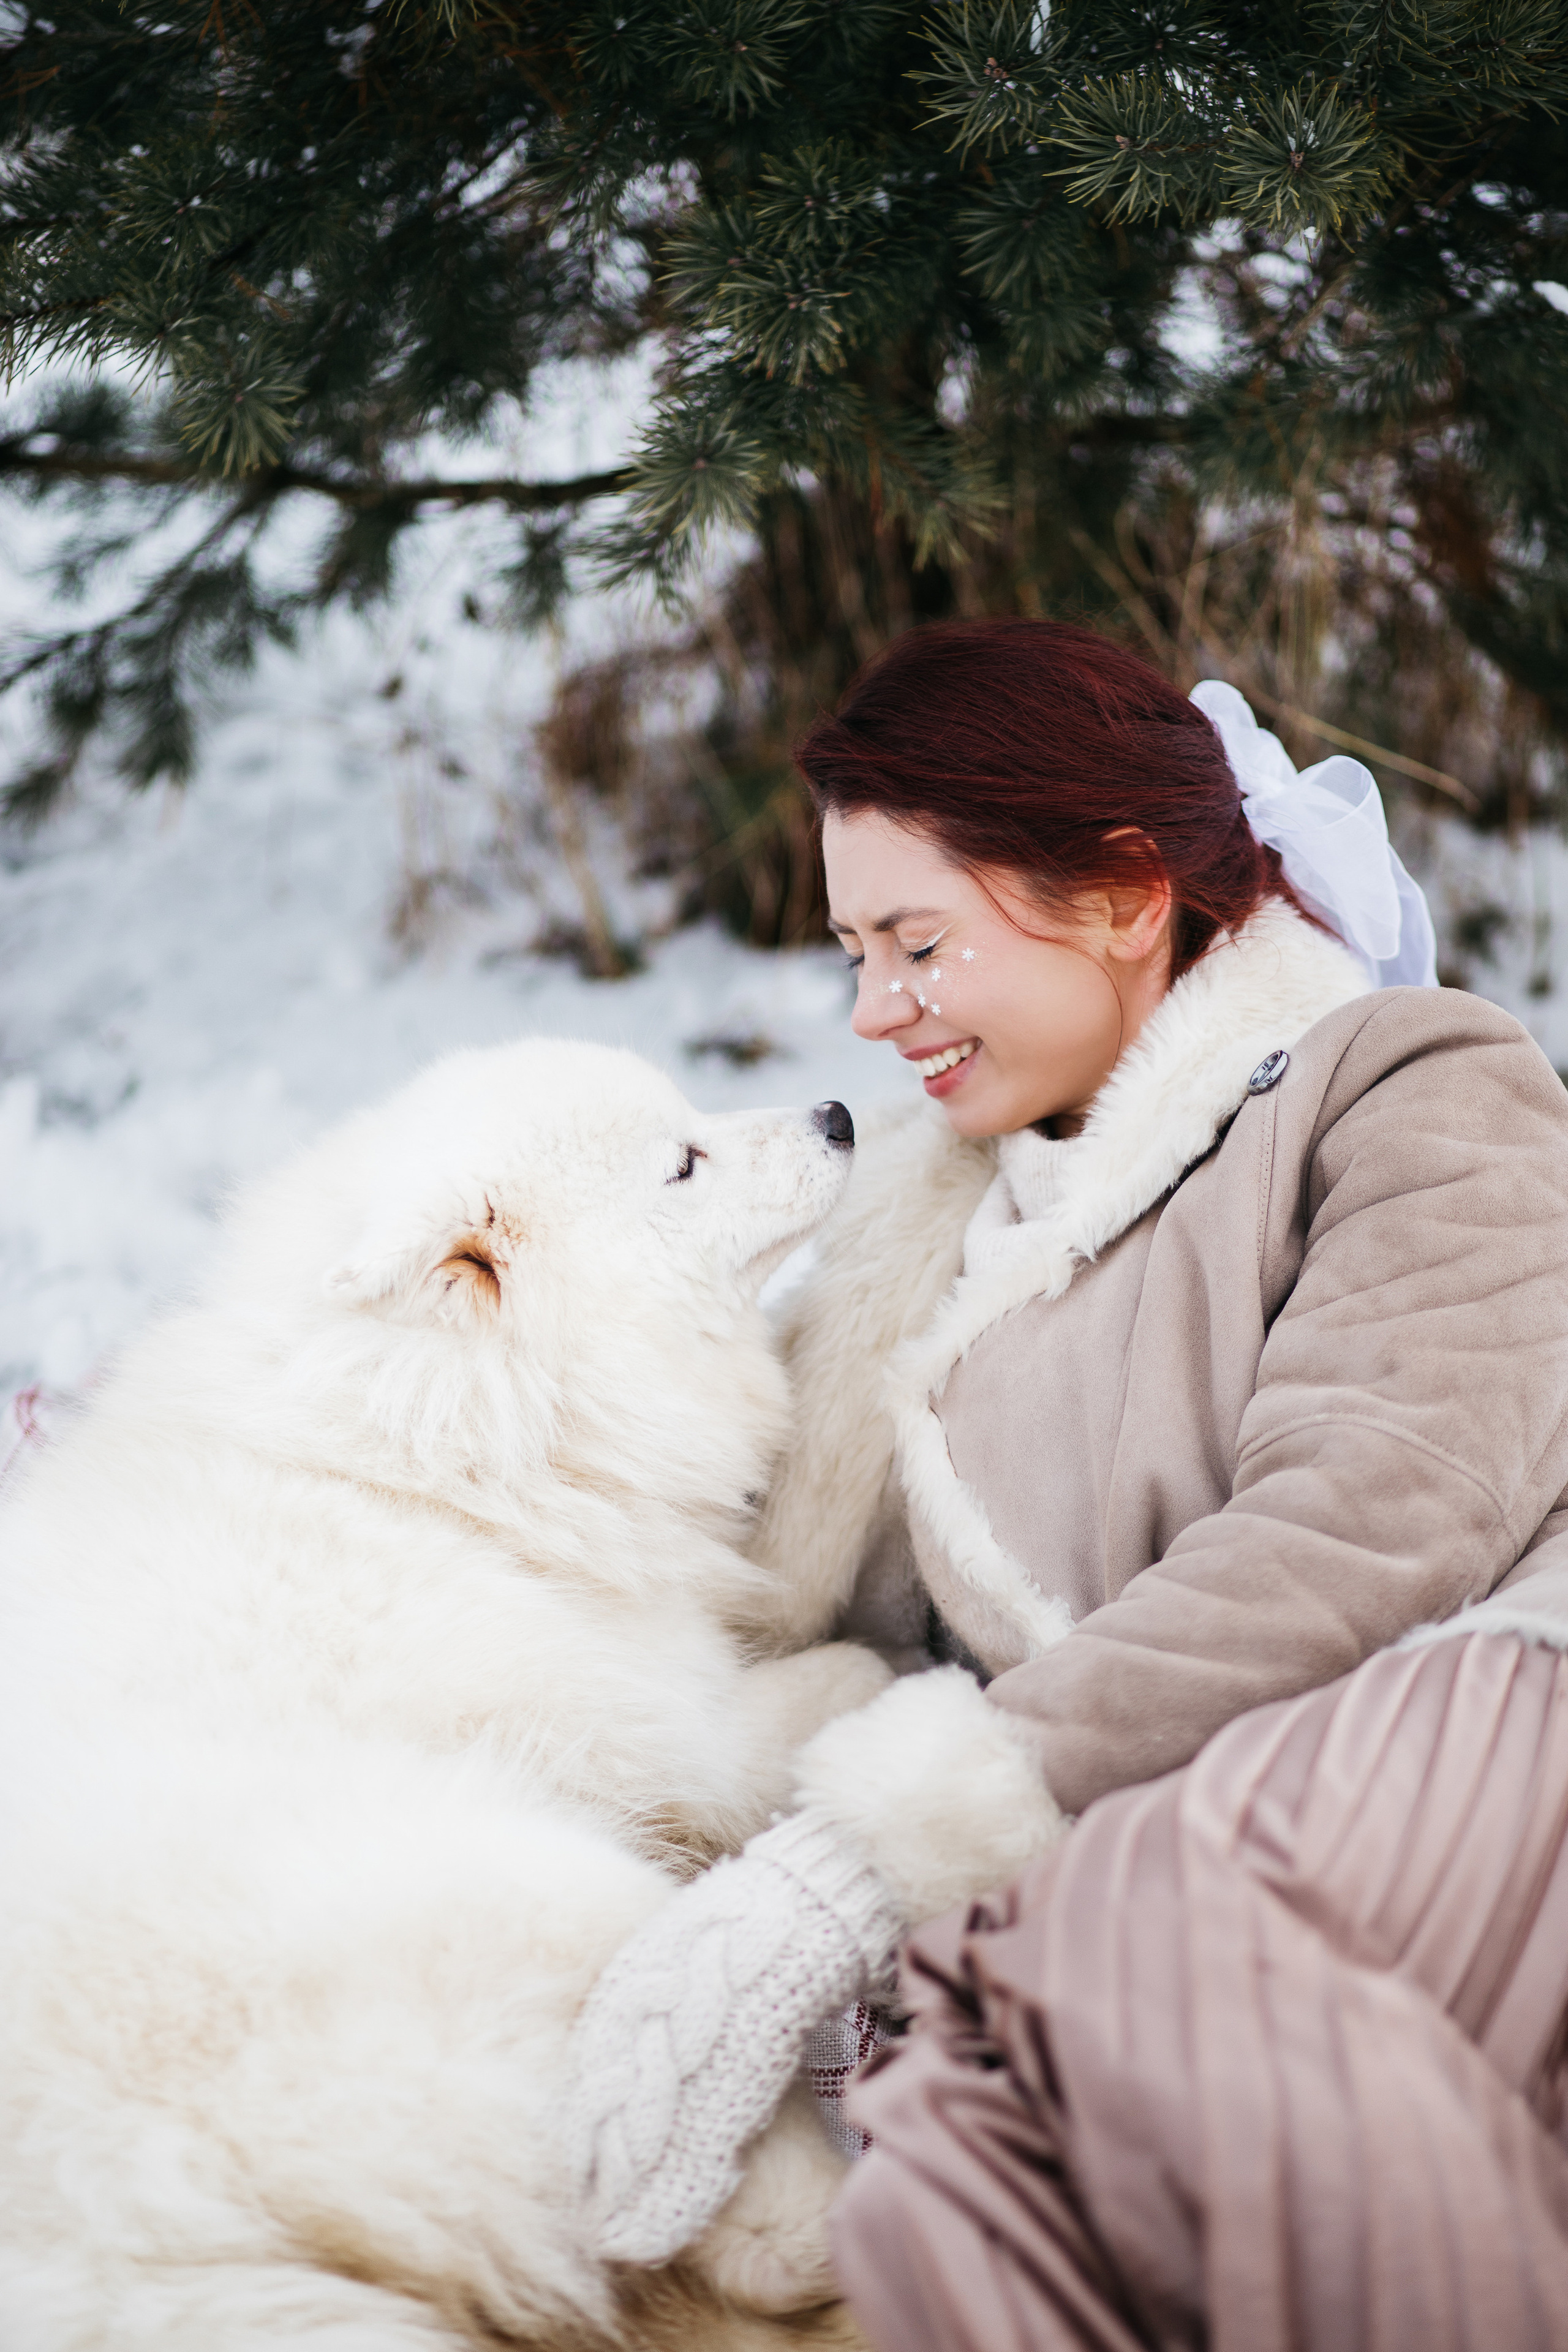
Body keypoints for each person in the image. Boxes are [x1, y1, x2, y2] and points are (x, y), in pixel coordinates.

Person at [568, 620, 1568, 2343]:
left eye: (917, 942)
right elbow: (768, 1579)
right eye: (853, 955)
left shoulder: (1404, 1079)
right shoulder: (946, 1245)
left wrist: (855, 1865)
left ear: (1120, 893)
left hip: (1466, 1698)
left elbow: (1380, 1516)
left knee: (1142, 1952)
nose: (874, 1012)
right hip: (1139, 1832)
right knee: (952, 2148)